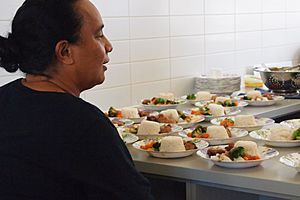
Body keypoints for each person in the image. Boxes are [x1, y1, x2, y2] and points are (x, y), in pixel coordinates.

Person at [0, 0, 154, 199]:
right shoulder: (83, 124)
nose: (108, 46)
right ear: (65, 52)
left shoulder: (4, 100)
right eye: (98, 35)